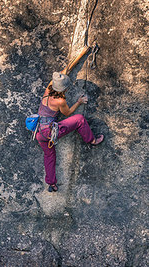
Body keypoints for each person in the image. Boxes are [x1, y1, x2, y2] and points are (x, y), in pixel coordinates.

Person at [36, 50, 104, 192]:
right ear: (64, 89)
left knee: (49, 155)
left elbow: (65, 71)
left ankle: (51, 184)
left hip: (39, 132)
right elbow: (67, 113)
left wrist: (80, 55)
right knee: (79, 119)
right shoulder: (60, 100)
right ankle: (92, 140)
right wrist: (79, 102)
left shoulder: (49, 88)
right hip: (49, 131)